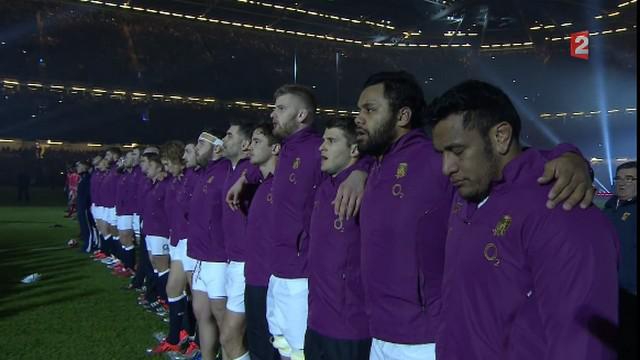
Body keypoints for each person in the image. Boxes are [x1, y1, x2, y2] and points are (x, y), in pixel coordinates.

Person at [353, 71, 597, 360]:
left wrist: (570, 157)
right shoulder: (377, 164)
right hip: (384, 334)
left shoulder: (434, 162)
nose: (358, 117)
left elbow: (511, 163)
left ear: (402, 115)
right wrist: (359, 169)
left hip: (420, 341)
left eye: (369, 109)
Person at [429, 79, 619, 359]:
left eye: (457, 151)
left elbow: (583, 346)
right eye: (442, 153)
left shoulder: (562, 209)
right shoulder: (469, 189)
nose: (447, 168)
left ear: (501, 136)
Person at [226, 85, 367, 360]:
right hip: (276, 272)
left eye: (281, 108)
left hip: (300, 276)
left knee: (299, 352)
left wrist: (360, 173)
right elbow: (261, 168)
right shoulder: (287, 150)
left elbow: (361, 157)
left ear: (301, 115)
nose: (273, 113)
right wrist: (244, 178)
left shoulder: (316, 149)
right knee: (281, 346)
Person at [305, 118, 372, 360]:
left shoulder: (367, 187)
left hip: (349, 325)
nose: (321, 147)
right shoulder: (324, 187)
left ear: (354, 149)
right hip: (316, 319)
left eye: (331, 141)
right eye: (323, 140)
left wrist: (363, 169)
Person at [188, 131, 228, 360]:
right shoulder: (203, 173)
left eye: (201, 143)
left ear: (218, 148)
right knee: (201, 313)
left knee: (224, 321)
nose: (196, 147)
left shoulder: (224, 172)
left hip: (218, 259)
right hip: (201, 257)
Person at [244, 122, 281, 360]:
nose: (250, 147)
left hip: (273, 280)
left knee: (273, 349)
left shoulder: (285, 184)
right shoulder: (259, 183)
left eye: (257, 142)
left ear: (276, 148)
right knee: (257, 344)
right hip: (254, 276)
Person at [220, 119, 256, 360]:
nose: (224, 139)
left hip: (247, 263)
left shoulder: (250, 172)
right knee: (231, 335)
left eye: (229, 135)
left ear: (245, 145)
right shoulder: (230, 171)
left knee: (230, 335)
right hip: (230, 260)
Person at [603, 161, 637, 360]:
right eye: (619, 178)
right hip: (607, 292)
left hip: (631, 294)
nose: (622, 183)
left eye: (629, 179)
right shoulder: (607, 209)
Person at [113, 148, 142, 277]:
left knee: (134, 240)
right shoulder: (126, 173)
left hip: (134, 211)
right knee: (124, 238)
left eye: (132, 155)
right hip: (124, 210)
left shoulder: (140, 172)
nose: (125, 159)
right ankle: (128, 265)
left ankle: (133, 267)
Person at [76, 160, 94, 253]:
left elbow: (88, 195)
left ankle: (89, 247)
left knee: (88, 228)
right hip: (81, 207)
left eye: (79, 166)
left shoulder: (88, 178)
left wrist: (86, 206)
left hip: (85, 207)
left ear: (85, 168)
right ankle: (87, 244)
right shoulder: (83, 178)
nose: (77, 168)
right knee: (83, 227)